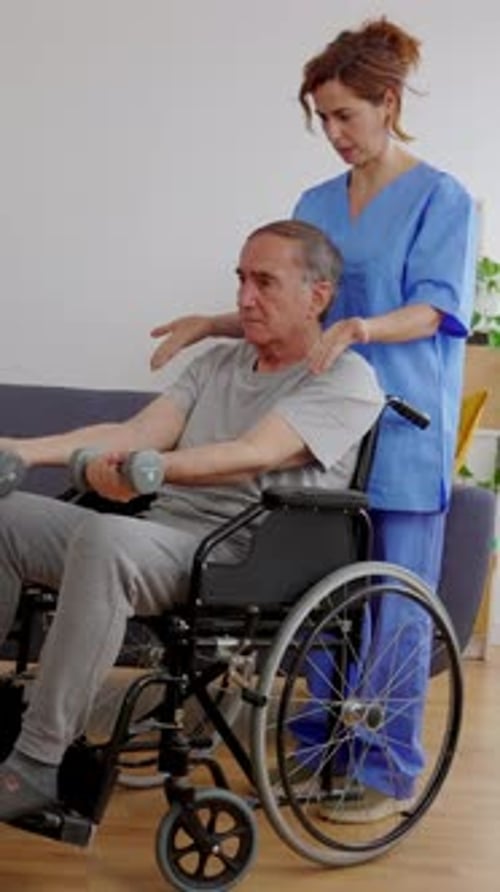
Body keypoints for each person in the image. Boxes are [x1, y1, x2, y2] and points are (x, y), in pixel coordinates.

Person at [146, 19, 477, 821]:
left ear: (388, 102)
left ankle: (381, 768)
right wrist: (213, 323)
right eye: (321, 118)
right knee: (317, 601)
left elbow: (436, 308)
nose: (333, 133)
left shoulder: (442, 198)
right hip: (317, 427)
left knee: (392, 609)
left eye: (345, 116)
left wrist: (363, 328)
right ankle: (315, 749)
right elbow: (297, 305)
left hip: (401, 433)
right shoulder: (316, 204)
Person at [0, 220, 383, 822]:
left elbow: (252, 454)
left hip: (240, 558)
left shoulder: (346, 380)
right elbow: (135, 432)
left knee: (105, 536)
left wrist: (146, 471)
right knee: (6, 516)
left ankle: (37, 762)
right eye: (241, 279)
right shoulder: (219, 364)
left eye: (264, 282)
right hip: (163, 537)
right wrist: (23, 450)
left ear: (318, 296)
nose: (244, 298)